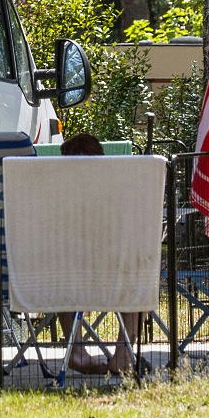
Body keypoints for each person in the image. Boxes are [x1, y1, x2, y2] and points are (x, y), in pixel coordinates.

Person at [59, 132, 143, 375]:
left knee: (59, 276)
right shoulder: (117, 195)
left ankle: (76, 351)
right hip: (112, 282)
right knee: (139, 284)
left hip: (60, 285)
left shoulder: (55, 199)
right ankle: (123, 356)